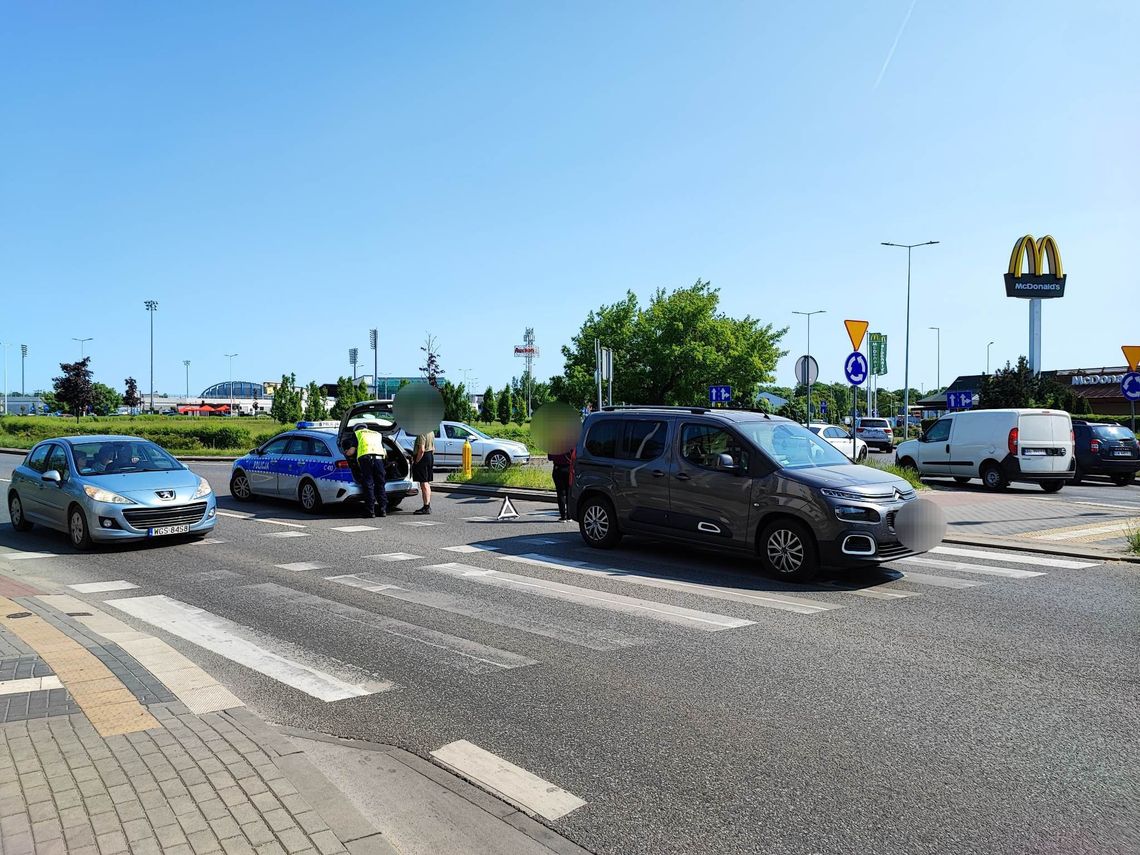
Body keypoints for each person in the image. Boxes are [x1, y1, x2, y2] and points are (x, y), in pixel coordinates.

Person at [346, 426, 387, 518]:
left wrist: (346, 453)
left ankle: (370, 511)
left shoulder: (358, 433)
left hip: (366, 459)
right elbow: (384, 451)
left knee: (369, 484)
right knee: (380, 484)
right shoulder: (377, 434)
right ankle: (383, 510)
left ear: (356, 429)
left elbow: (352, 451)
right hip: (379, 460)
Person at [412, 431, 435, 515]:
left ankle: (426, 507)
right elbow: (433, 448)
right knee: (426, 482)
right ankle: (427, 505)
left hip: (423, 457)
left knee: (423, 483)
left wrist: (416, 462)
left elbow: (421, 449)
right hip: (429, 456)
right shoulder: (431, 432)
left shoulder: (421, 433)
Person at [549, 449, 572, 521]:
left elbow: (550, 457)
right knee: (569, 493)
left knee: (560, 493)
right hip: (569, 468)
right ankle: (569, 515)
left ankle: (563, 516)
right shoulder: (571, 443)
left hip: (558, 468)